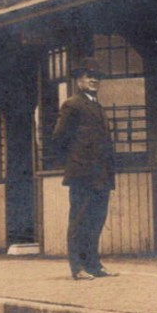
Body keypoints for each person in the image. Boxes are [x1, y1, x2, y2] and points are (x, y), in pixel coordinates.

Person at [52, 56, 118, 280]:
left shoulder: (97, 107)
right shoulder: (72, 104)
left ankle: (94, 265)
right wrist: (75, 163)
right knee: (79, 220)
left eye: (97, 77)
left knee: (96, 221)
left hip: (101, 175)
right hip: (82, 175)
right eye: (88, 76)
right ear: (78, 80)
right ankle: (77, 268)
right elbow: (59, 138)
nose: (93, 80)